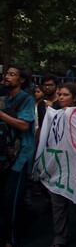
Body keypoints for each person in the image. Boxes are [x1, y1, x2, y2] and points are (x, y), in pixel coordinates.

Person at [0, 65, 36, 247]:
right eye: (7, 73)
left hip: (19, 158)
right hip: (4, 158)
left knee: (12, 201)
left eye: (12, 74)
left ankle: (11, 240)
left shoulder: (26, 100)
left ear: (21, 80)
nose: (7, 77)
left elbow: (24, 125)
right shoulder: (4, 99)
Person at [49, 83, 76, 247]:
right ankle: (59, 237)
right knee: (58, 202)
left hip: (75, 166)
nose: (61, 97)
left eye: (65, 95)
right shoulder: (53, 114)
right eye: (59, 94)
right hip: (58, 165)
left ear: (74, 98)